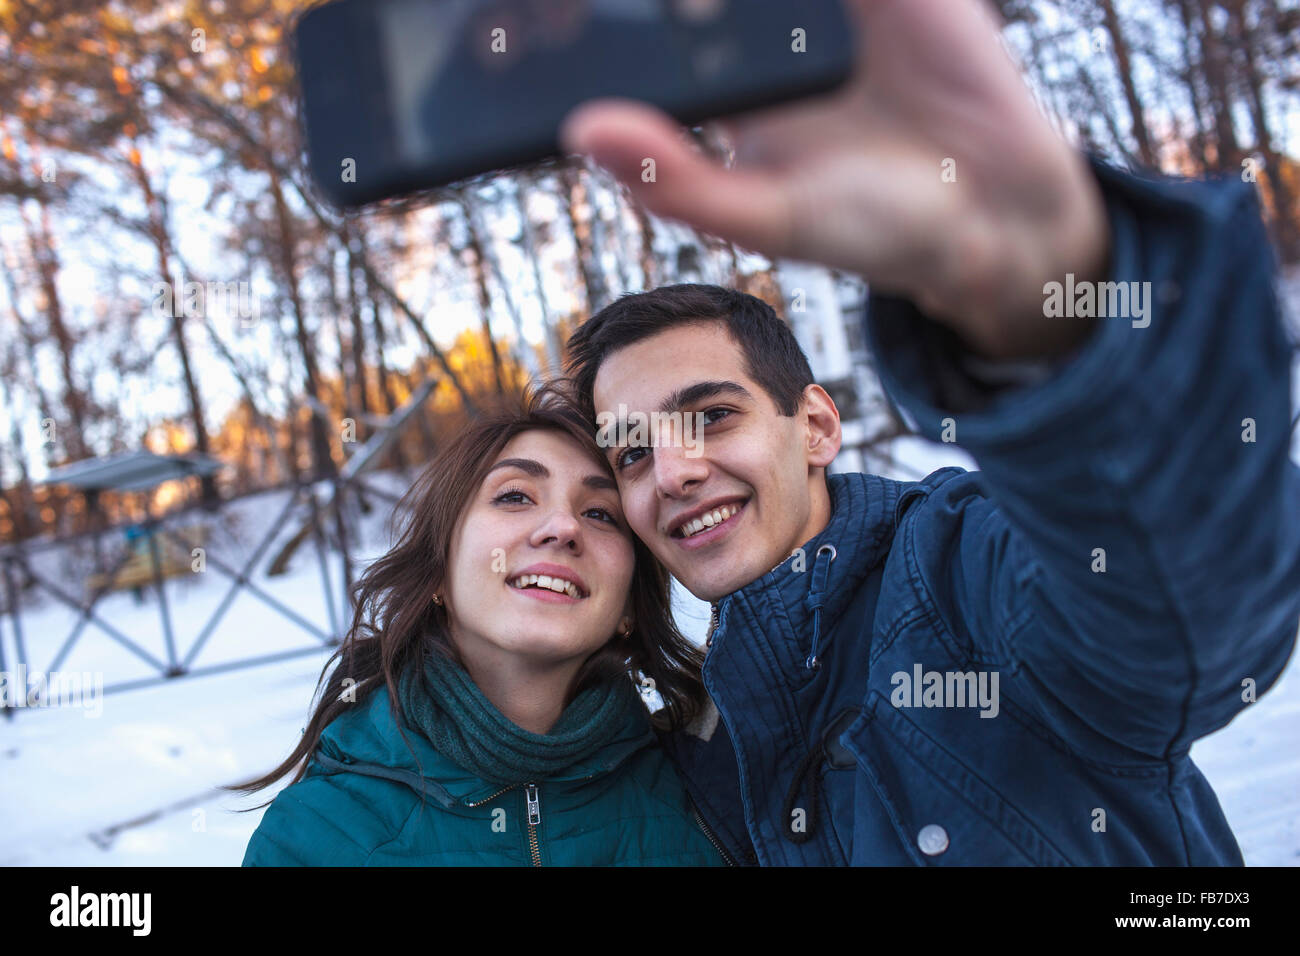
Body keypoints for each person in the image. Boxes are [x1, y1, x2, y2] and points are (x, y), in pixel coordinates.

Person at [557, 0, 1300, 864]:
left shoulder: (969, 580)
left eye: (713, 415)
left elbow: (1183, 601)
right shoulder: (701, 746)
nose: (673, 472)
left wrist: (1053, 305)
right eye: (633, 452)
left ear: (817, 428)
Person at [234, 388, 729, 866]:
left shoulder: (711, 799)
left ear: (628, 607)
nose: (563, 527)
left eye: (600, 513)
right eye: (515, 497)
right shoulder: (316, 836)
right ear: (438, 575)